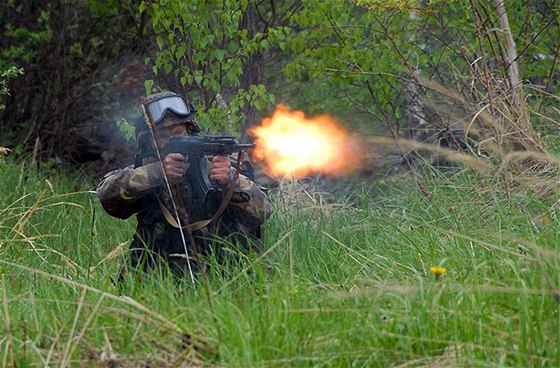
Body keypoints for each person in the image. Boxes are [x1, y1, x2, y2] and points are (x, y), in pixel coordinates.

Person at [97, 91, 272, 279]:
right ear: (150, 141)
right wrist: (157, 173)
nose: (175, 140)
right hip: (159, 273)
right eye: (165, 135)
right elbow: (107, 198)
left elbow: (263, 212)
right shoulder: (146, 171)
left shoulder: (221, 164)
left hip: (222, 271)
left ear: (190, 130)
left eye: (179, 133)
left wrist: (231, 180)